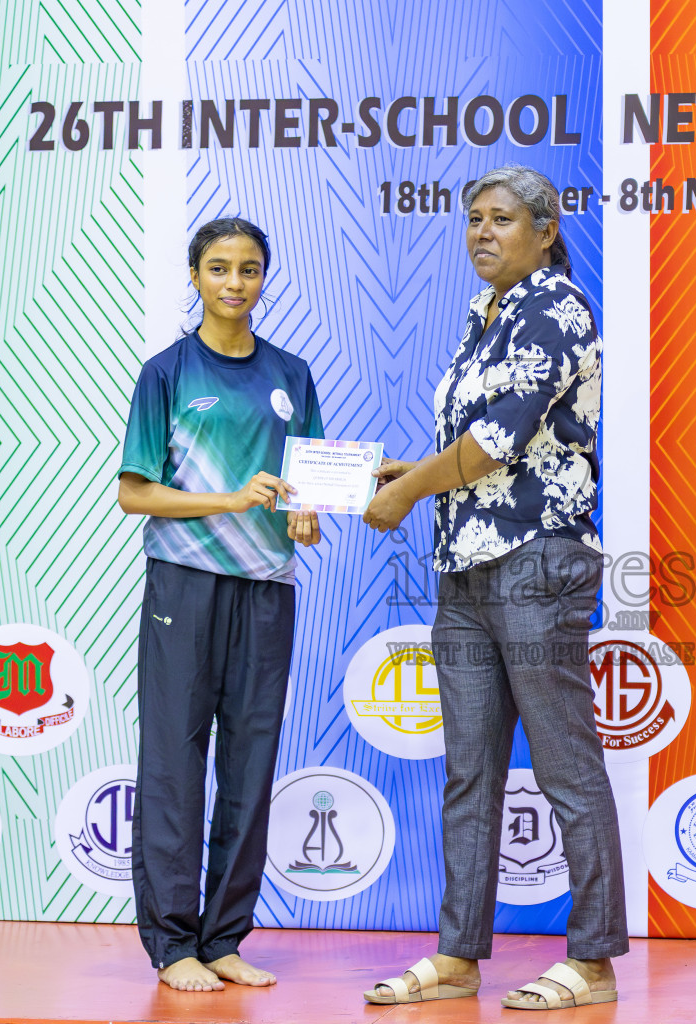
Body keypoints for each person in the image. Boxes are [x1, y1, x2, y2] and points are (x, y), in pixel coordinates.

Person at [361, 165, 624, 1011]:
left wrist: (407, 493)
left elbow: (498, 443)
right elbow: (481, 449)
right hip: (467, 568)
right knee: (470, 772)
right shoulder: (487, 316)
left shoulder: (555, 308)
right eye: (473, 218)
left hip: (537, 562)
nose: (481, 231)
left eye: (501, 218)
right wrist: (414, 470)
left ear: (544, 232)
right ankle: (457, 958)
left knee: (564, 765)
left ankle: (592, 963)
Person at [116, 216, 323, 993]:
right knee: (174, 760)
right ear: (195, 275)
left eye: (249, 269)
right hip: (185, 585)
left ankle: (224, 938)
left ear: (264, 277)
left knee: (250, 761)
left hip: (267, 588)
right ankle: (173, 944)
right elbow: (134, 493)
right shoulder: (166, 373)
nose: (235, 282)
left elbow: (309, 480)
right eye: (219, 268)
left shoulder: (293, 373)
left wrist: (305, 512)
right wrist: (232, 498)